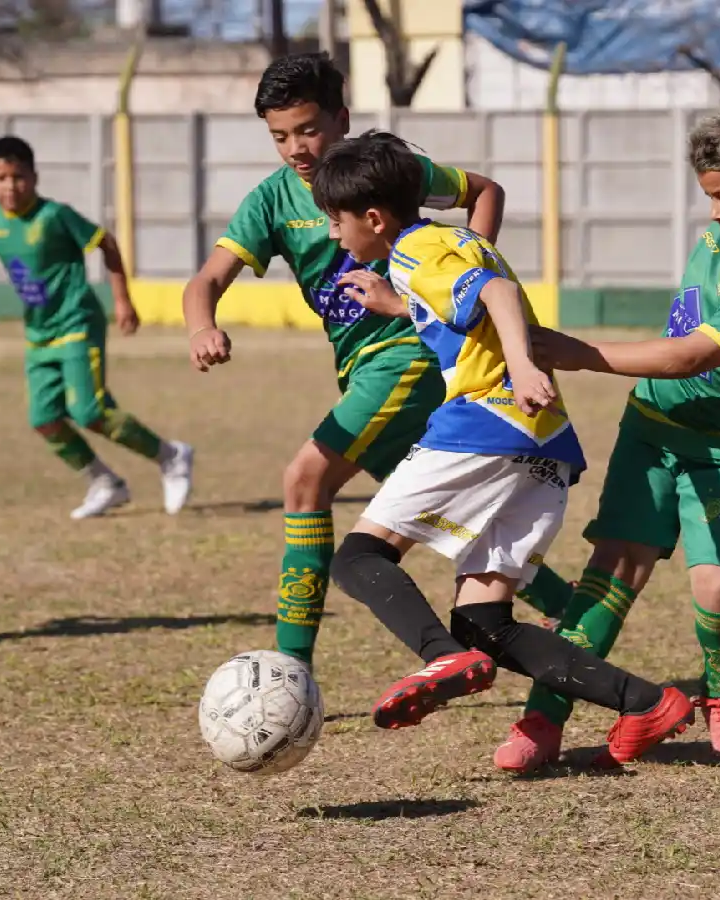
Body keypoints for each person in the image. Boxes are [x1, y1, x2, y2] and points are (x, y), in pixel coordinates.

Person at [313, 130, 695, 766]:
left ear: (374, 219)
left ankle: (441, 659)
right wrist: (404, 307)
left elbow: (498, 295)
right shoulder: (451, 240)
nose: (333, 235)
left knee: (356, 557)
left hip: (485, 426)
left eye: (336, 221)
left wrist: (519, 364)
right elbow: (477, 295)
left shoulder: (414, 251)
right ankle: (647, 703)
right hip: (542, 444)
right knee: (485, 624)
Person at [493, 105, 720, 773]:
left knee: (719, 587)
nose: (714, 214)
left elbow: (692, 355)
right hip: (652, 429)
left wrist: (580, 352)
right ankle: (545, 713)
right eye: (709, 197)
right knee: (612, 572)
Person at [182, 52, 529, 668]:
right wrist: (202, 325)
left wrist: (463, 273)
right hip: (363, 369)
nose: (296, 148)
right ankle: (569, 607)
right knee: (449, 514)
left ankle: (290, 669)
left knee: (304, 479)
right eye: (279, 136)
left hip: (407, 355)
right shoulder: (270, 201)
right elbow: (206, 279)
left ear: (341, 118)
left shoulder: (382, 173)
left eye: (308, 129)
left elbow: (484, 190)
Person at [0, 135, 193, 519]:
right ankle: (106, 483)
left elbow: (107, 243)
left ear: (34, 177)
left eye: (18, 177)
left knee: (89, 411)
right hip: (39, 333)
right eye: (1, 178)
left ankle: (171, 455)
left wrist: (122, 300)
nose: (10, 186)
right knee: (44, 418)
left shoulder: (54, 215)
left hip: (76, 322)